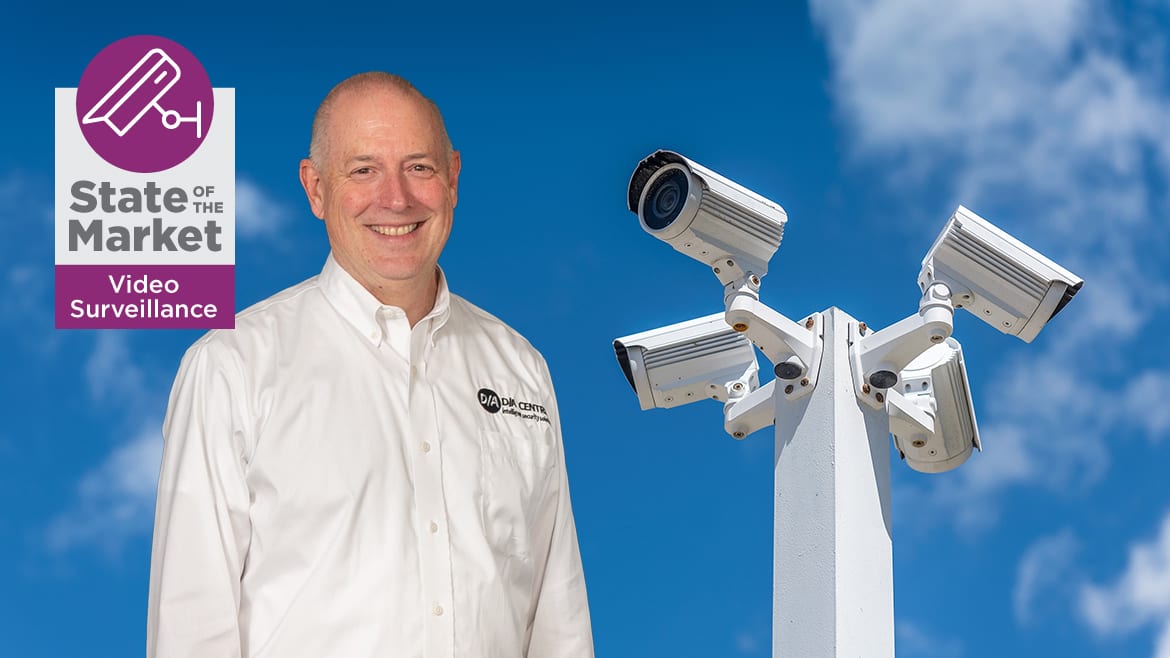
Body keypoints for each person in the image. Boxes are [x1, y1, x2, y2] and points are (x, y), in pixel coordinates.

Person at [147, 72, 594, 658]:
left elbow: (558, 622)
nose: (396, 199)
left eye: (419, 167)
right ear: (315, 189)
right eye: (363, 170)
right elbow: (190, 632)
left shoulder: (520, 369)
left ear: (454, 178)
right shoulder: (232, 367)